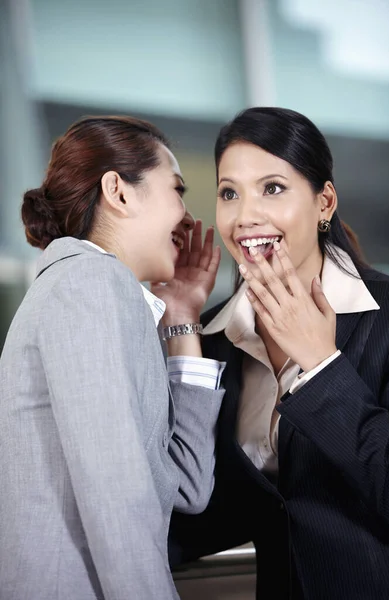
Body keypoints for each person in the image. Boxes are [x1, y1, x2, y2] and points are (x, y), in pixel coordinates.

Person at [169, 107, 389, 600]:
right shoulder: (217, 340)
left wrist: (321, 366)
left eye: (272, 188)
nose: (247, 215)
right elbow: (199, 507)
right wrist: (182, 320)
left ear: (324, 202)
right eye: (230, 192)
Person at [0, 115, 225, 600]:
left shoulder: (103, 292)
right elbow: (117, 500)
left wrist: (182, 317)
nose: (187, 216)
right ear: (119, 192)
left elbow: (187, 486)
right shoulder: (89, 284)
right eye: (177, 189)